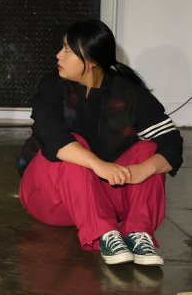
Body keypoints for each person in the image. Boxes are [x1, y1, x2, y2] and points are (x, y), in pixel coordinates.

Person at [18, 19, 183, 267]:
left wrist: (143, 170)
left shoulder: (127, 91)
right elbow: (51, 137)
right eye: (62, 48)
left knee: (149, 150)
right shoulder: (52, 85)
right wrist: (98, 165)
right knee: (73, 145)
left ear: (93, 60)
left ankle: (138, 233)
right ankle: (104, 234)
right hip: (50, 198)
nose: (58, 55)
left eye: (68, 50)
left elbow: (171, 142)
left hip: (104, 197)